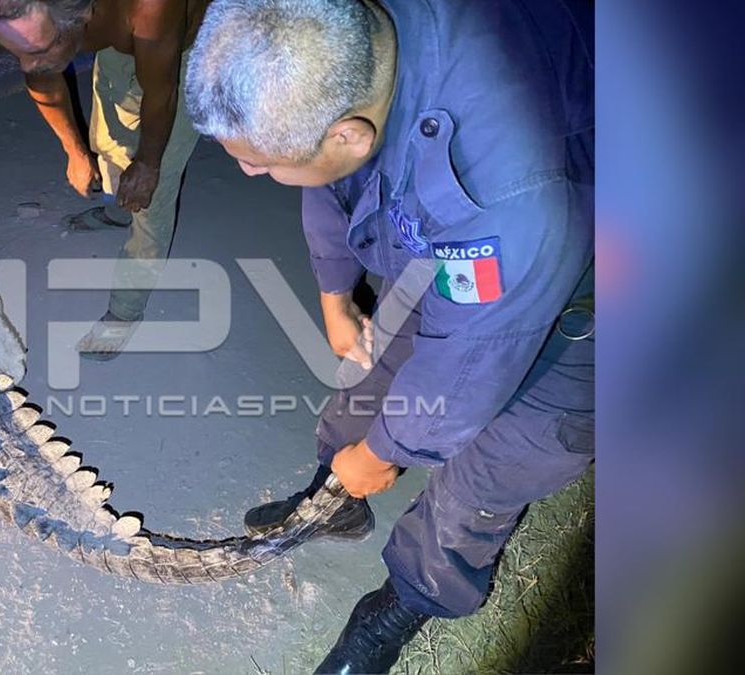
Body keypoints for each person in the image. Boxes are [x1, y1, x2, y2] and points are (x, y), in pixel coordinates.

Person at [183, 0, 594, 671]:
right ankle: (335, 498)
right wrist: (336, 293)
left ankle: (405, 600)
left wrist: (385, 453)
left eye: (258, 162)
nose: (249, 172)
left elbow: (468, 367)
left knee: (497, 465)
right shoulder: (353, 57)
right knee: (373, 370)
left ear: (349, 134)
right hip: (457, 243)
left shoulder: (503, 189)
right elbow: (327, 180)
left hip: (599, 288)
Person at [0, 0, 209, 359]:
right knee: (107, 141)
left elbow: (161, 94)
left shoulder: (151, 8)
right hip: (122, 37)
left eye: (38, 51)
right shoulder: (42, 23)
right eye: (17, 52)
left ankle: (126, 312)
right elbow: (42, 77)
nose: (27, 65)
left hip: (183, 54)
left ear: (81, 15)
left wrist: (148, 164)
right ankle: (119, 212)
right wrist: (75, 151)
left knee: (154, 193)